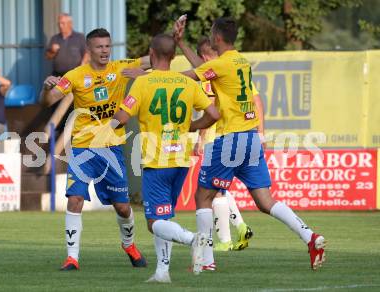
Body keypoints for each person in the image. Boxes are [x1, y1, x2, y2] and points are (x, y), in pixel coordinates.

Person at [174, 16, 326, 271]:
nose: (210, 37)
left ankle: (205, 261)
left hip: (230, 139)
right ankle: (309, 236)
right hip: (251, 138)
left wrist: (154, 78)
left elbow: (190, 76)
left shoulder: (222, 64)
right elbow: (204, 69)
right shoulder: (241, 62)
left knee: (202, 197)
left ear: (218, 37)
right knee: (266, 201)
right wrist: (181, 44)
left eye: (212, 34)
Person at [41, 28, 151, 271]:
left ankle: (130, 245)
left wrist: (169, 48)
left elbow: (153, 60)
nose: (104, 51)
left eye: (107, 46)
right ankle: (72, 258)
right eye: (99, 47)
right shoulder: (76, 75)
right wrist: (46, 88)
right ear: (88, 50)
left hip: (112, 149)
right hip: (82, 149)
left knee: (122, 207)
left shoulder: (120, 68)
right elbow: (48, 101)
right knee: (75, 199)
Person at [113, 33, 220, 282]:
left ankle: (193, 239)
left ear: (151, 54)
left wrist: (102, 128)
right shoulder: (187, 83)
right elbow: (214, 113)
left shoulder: (143, 83)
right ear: (173, 56)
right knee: (165, 216)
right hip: (181, 161)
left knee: (153, 222)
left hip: (156, 161)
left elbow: (122, 117)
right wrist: (193, 126)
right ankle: (162, 272)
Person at [195, 36, 265, 253]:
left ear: (204, 56)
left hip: (219, 136)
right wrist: (261, 132)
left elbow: (212, 107)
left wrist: (200, 137)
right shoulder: (237, 71)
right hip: (241, 133)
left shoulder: (213, 73)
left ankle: (224, 240)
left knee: (213, 193)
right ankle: (241, 226)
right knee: (220, 188)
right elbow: (257, 100)